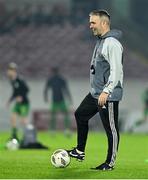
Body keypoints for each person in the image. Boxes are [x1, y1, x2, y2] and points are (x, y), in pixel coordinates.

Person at [67, 10, 123, 171]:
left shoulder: (111, 43)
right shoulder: (101, 41)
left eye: (93, 22)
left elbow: (117, 70)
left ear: (104, 23)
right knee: (80, 114)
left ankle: (109, 163)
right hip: (96, 93)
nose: (90, 25)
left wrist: (107, 91)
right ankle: (79, 151)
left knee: (110, 128)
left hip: (108, 95)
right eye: (90, 22)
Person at [44, 67, 72, 135]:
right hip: (61, 100)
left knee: (53, 116)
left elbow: (46, 90)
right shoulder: (61, 79)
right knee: (65, 115)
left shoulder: (51, 79)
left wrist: (46, 98)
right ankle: (66, 129)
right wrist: (70, 99)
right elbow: (66, 90)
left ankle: (53, 130)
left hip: (55, 100)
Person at [6, 62, 30, 140]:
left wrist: (21, 96)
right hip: (18, 104)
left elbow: (27, 89)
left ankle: (28, 135)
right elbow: (15, 92)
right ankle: (14, 135)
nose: (9, 72)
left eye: (11, 70)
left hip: (24, 103)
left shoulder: (20, 80)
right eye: (9, 70)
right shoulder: (12, 81)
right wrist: (9, 101)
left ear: (14, 71)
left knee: (23, 121)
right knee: (13, 118)